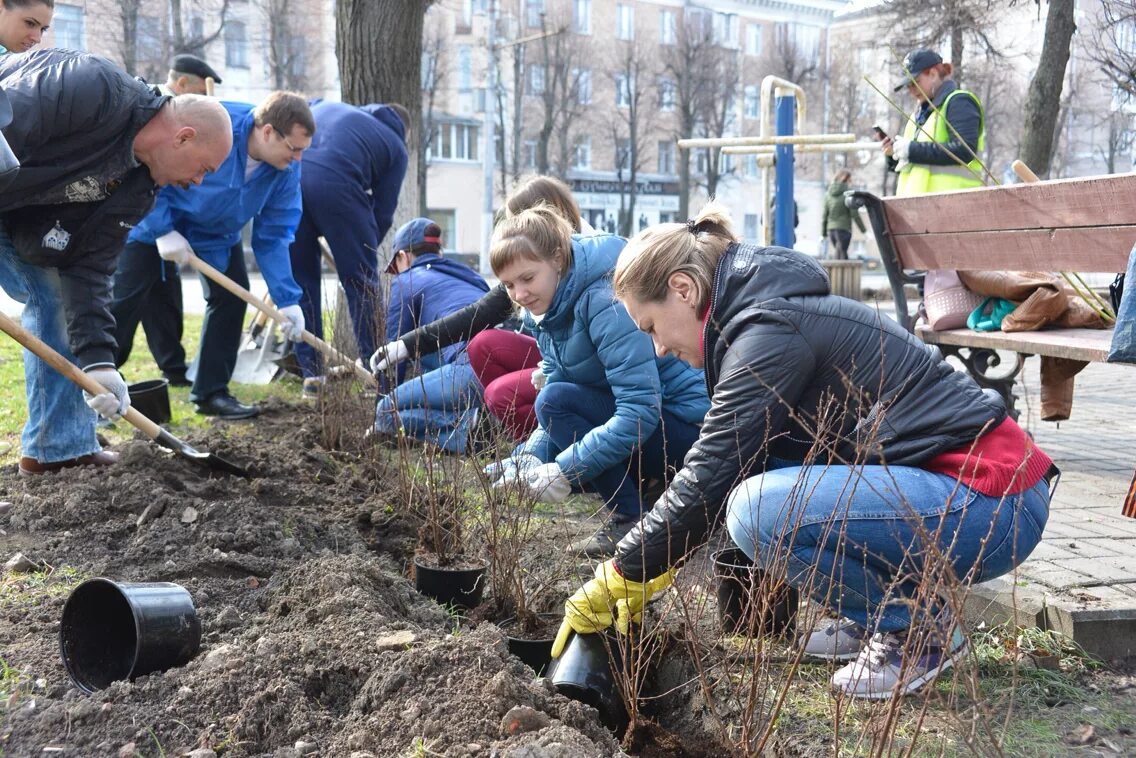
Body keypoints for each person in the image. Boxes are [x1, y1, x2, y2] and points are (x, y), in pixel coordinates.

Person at [551, 202, 1055, 699]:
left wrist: (620, 570)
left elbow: (710, 474)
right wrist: (651, 559)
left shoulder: (766, 331)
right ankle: (876, 617)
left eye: (651, 327)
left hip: (992, 500)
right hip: (976, 496)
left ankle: (916, 631)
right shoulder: (760, 319)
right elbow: (748, 461)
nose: (658, 347)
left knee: (755, 509)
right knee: (766, 484)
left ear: (683, 290)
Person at [0, 49, 232, 474]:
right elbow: (9, 121)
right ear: (182, 137)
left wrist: (99, 362)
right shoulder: (93, 88)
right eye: (203, 169)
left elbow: (90, 268)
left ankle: (57, 450)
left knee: (55, 299)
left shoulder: (139, 189)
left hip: (14, 213)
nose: (196, 182)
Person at [485, 205, 709, 558]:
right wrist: (528, 456)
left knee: (554, 403)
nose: (519, 294)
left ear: (558, 260)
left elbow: (638, 410)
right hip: (654, 425)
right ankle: (642, 499)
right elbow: (560, 387)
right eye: (509, 285)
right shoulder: (551, 308)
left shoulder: (605, 300)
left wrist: (563, 469)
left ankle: (630, 520)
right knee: (554, 402)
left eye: (528, 278)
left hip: (688, 433)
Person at [122, 92, 314, 419]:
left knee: (230, 299)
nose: (297, 159)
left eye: (302, 151)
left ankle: (211, 393)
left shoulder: (284, 169)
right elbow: (152, 164)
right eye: (293, 149)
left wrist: (286, 299)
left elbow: (273, 235)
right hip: (154, 219)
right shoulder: (215, 125)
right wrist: (161, 229)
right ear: (267, 131)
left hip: (217, 233)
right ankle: (94, 386)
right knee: (123, 301)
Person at [369, 176, 591, 442]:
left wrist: (383, 395)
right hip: (537, 359)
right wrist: (407, 346)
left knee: (387, 411)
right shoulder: (468, 273)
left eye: (518, 226)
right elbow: (478, 314)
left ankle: (473, 429)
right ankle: (496, 426)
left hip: (563, 375)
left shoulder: (408, 280)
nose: (519, 293)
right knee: (479, 346)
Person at [111, 53, 225, 387]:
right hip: (137, 231)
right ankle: (104, 370)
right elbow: (148, 180)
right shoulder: (155, 115)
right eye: (201, 94)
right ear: (183, 84)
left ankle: (173, 367)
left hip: (168, 233)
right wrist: (160, 230)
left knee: (165, 299)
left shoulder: (187, 121)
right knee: (124, 301)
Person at [289, 100, 409, 396]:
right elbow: (382, 211)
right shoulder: (395, 145)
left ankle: (312, 376)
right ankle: (377, 376)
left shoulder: (328, 106)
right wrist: (361, 253)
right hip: (337, 185)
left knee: (301, 282)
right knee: (362, 285)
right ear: (403, 129)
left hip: (291, 178)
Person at [371, 218, 490, 452]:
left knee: (385, 413)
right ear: (439, 252)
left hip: (467, 371)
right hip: (502, 370)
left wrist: (381, 407)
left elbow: (392, 355)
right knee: (425, 353)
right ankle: (479, 418)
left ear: (403, 257)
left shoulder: (407, 280)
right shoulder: (472, 278)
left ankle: (466, 429)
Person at [883, 49, 986, 196]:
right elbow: (915, 166)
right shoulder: (917, 116)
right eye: (908, 85)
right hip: (918, 207)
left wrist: (911, 150)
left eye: (915, 82)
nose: (912, 90)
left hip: (955, 206)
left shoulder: (959, 102)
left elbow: (964, 150)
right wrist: (894, 155)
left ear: (932, 74)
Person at [821, 169, 866, 260]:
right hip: (844, 229)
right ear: (847, 179)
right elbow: (854, 214)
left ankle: (836, 274)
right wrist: (864, 231)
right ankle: (838, 274)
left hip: (831, 230)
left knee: (839, 253)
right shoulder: (848, 194)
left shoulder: (828, 194)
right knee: (842, 255)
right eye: (850, 179)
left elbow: (824, 216)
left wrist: (823, 234)